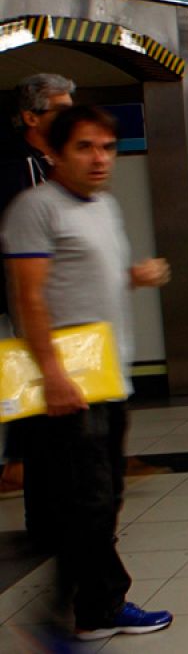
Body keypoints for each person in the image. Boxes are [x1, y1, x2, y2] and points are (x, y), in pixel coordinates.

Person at [4, 105, 173, 643]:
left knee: (101, 495)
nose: (100, 158)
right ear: (53, 151)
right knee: (90, 498)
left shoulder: (102, 205)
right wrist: (52, 375)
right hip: (69, 379)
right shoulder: (35, 208)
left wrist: (132, 275)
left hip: (106, 373)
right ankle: (93, 607)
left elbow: (79, 277)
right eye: (84, 147)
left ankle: (84, 605)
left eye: (107, 147)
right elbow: (28, 297)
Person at [0, 73, 73, 504]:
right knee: (21, 374)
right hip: (19, 301)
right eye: (60, 111)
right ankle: (20, 462)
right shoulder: (16, 169)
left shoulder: (56, 165)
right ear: (30, 117)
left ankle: (33, 459)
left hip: (54, 300)